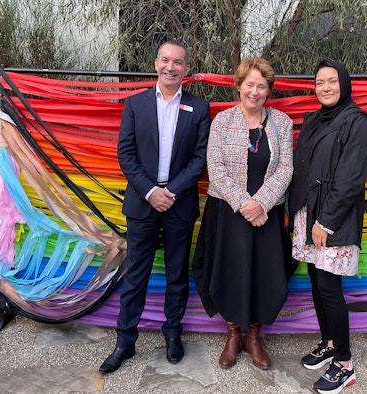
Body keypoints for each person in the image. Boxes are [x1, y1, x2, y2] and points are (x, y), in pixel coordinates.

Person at [99, 41, 211, 374]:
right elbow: (126, 155)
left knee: (177, 275)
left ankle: (173, 335)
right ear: (155, 63)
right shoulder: (135, 105)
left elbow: (199, 159)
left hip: (179, 203)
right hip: (142, 202)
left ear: (186, 70)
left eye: (178, 62)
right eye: (165, 60)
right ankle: (125, 341)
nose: (171, 67)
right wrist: (150, 191)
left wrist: (170, 191)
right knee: (136, 275)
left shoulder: (199, 108)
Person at [192, 58, 293, 370]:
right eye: (249, 84)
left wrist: (260, 203)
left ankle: (254, 335)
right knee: (230, 270)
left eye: (261, 86)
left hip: (267, 214)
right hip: (228, 211)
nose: (255, 91)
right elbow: (216, 169)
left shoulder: (282, 122)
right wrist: (244, 204)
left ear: (269, 90)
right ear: (238, 86)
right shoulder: (222, 122)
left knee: (264, 274)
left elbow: (286, 168)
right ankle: (233, 333)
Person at [288, 60, 367, 393]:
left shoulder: (356, 122)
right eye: (319, 82)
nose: (325, 87)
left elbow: (351, 179)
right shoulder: (313, 120)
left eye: (332, 81)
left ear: (345, 83)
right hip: (307, 214)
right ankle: (329, 342)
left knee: (329, 288)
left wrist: (326, 221)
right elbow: (301, 167)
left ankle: (345, 363)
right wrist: (293, 210)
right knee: (315, 280)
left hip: (331, 219)